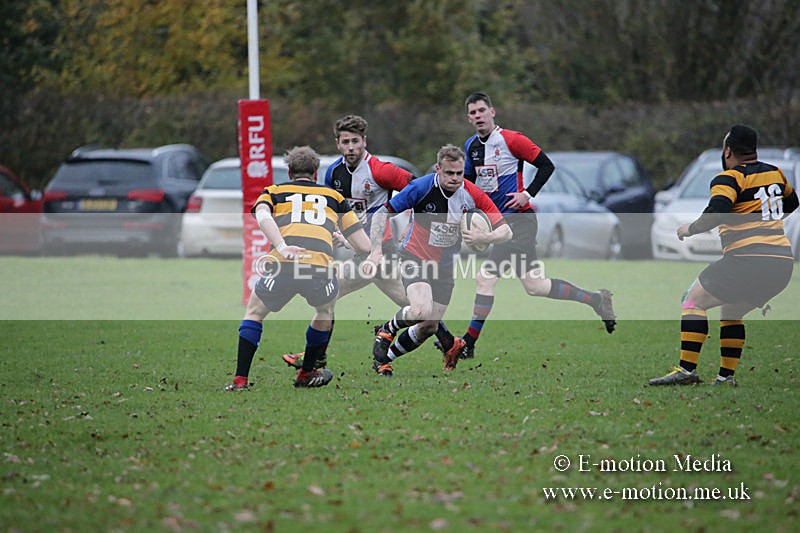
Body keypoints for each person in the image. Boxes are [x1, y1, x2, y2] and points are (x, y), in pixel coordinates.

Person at [449, 92, 616, 360]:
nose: (478, 115)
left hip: (519, 221)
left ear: (493, 112)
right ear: (468, 118)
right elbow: (468, 184)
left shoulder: (512, 139)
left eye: (482, 110)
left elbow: (546, 166)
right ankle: (596, 300)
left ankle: (468, 343)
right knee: (535, 286)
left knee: (485, 278)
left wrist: (528, 193)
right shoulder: (471, 147)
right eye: (473, 112)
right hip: (501, 220)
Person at [282, 115, 453, 369]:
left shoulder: (380, 170)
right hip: (362, 251)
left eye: (355, 141)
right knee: (415, 307)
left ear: (364, 141)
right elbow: (336, 211)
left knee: (328, 295)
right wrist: (338, 234)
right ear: (337, 144)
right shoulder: (335, 173)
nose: (351, 147)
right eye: (345, 142)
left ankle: (316, 356)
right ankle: (451, 344)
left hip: (380, 252)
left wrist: (411, 223)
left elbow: (418, 188)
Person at [649, 124, 797, 386]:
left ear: (728, 150)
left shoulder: (728, 178)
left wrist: (690, 229)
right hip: (782, 263)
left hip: (747, 260)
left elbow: (717, 211)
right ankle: (726, 377)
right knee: (732, 309)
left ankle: (686, 371)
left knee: (692, 301)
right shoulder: (775, 173)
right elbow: (792, 203)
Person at [224, 146, 371, 390]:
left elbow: (262, 216)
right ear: (315, 174)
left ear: (290, 172)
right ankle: (306, 374)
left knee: (254, 313)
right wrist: (342, 239)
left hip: (283, 265)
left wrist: (282, 246)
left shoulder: (273, 192)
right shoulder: (333, 197)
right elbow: (364, 246)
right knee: (325, 311)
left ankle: (240, 381)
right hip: (319, 267)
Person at [367, 144, 513, 376]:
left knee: (429, 326)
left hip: (444, 265)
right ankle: (387, 329)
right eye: (449, 173)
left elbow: (506, 231)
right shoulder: (421, 188)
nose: (455, 178)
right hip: (414, 256)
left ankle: (384, 358)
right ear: (438, 169)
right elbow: (382, 213)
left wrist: (486, 236)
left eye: (459, 173)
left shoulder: (472, 193)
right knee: (421, 310)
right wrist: (375, 250)